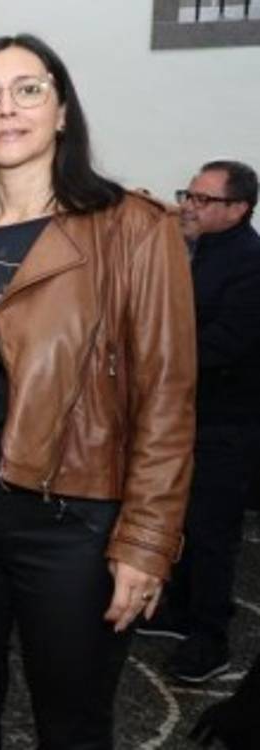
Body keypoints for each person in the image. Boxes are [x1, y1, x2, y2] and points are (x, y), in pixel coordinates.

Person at [0, 34, 197, 749]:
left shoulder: (133, 232)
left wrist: (145, 543)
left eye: (27, 90)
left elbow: (165, 401)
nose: (5, 109)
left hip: (76, 524)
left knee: (73, 726)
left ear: (59, 111)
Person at [138, 161, 260, 684]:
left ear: (239, 209)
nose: (189, 204)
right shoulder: (198, 252)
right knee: (182, 520)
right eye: (189, 193)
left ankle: (210, 638)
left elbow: (224, 344)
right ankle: (180, 610)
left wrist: (153, 354)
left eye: (204, 200)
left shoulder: (251, 266)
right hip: (189, 415)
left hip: (226, 423)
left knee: (212, 531)